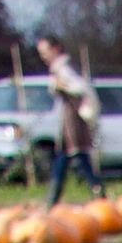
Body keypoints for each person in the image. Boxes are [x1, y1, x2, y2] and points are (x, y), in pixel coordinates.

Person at [37, 37, 103, 204]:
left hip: (74, 120)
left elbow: (80, 88)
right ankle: (94, 191)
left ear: (57, 48)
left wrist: (61, 87)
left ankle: (96, 192)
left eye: (46, 52)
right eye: (41, 53)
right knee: (69, 155)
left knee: (76, 153)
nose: (44, 56)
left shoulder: (64, 69)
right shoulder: (57, 69)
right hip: (67, 120)